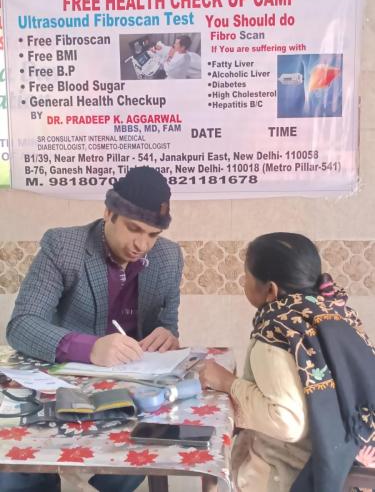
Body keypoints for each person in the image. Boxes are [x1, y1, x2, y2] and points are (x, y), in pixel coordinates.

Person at [2, 166, 183, 492]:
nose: (142, 244)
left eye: (153, 235)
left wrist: (168, 336)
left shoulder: (169, 257)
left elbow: (166, 328)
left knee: (134, 459)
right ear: (108, 212)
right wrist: (89, 347)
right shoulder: (64, 246)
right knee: (18, 474)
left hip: (128, 392)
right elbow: (22, 326)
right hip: (57, 387)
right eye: (134, 229)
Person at [199, 232, 375, 492]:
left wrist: (227, 383)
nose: (244, 283)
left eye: (246, 277)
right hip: (342, 469)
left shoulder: (275, 335)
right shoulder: (335, 314)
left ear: (270, 290)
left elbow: (286, 422)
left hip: (288, 478)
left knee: (213, 471)